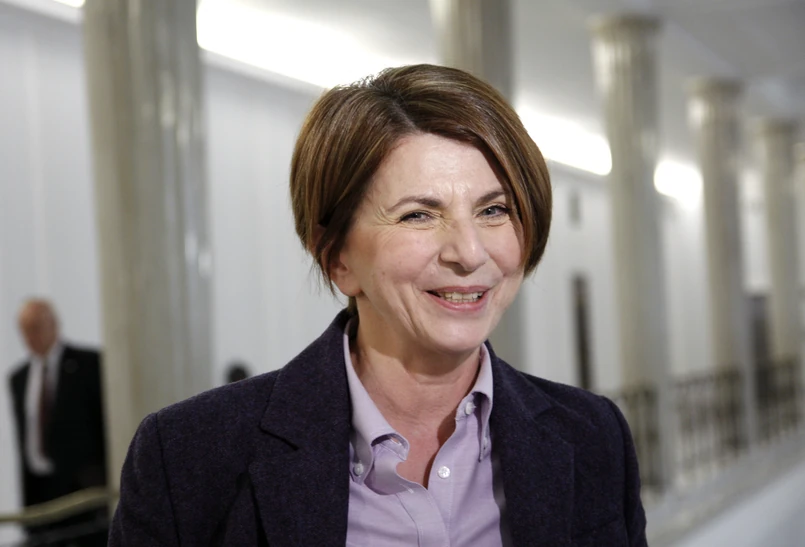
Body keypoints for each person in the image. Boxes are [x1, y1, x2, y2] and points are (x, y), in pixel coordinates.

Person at [110, 64, 647, 546]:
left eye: (494, 210)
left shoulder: (592, 435)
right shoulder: (189, 457)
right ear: (337, 257)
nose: (469, 253)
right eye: (419, 215)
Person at [8, 299, 108, 547]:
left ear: (53, 324)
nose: (30, 336)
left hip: (82, 493)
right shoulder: (18, 378)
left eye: (35, 327)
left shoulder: (88, 365)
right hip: (39, 494)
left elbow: (103, 425)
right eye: (25, 330)